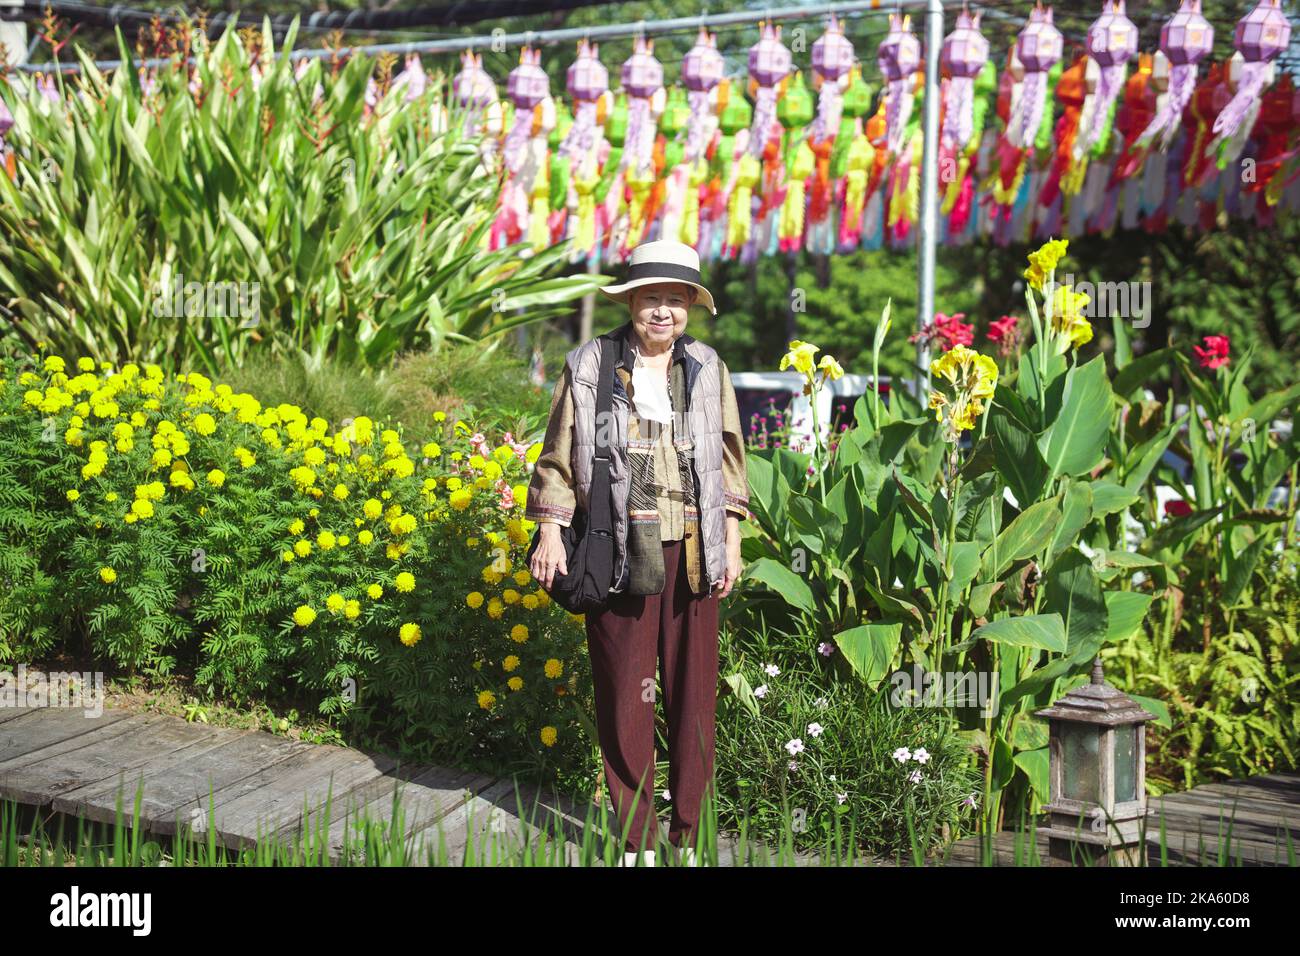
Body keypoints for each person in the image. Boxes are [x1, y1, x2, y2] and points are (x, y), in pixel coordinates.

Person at [525, 239, 749, 867]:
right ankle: (638, 841)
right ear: (631, 303)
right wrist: (549, 530)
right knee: (627, 693)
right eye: (651, 297)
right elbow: (557, 455)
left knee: (693, 695)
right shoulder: (591, 364)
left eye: (675, 300)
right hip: (618, 547)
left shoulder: (707, 367)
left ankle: (689, 835)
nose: (663, 311)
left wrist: (731, 543)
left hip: (696, 551)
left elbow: (731, 461)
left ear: (689, 308)